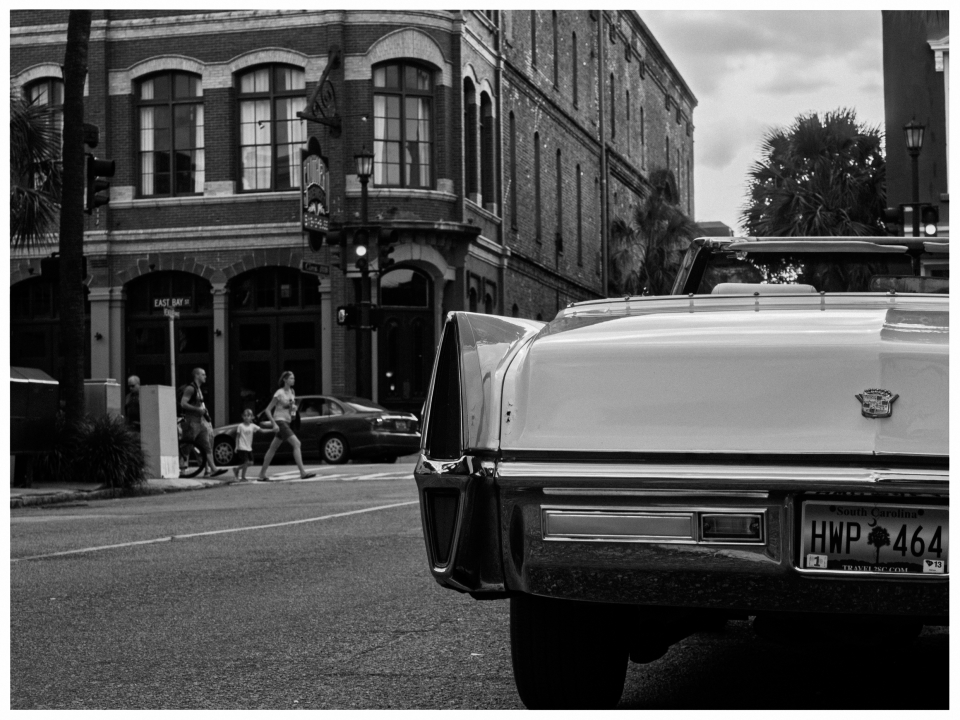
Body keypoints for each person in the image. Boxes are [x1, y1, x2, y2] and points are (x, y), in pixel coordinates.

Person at [258, 371, 316, 481]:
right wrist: (274, 423)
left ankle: (262, 474)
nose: (293, 380)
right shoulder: (279, 393)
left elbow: (290, 409)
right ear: (285, 380)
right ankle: (302, 472)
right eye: (291, 378)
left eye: (293, 378)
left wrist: (293, 409)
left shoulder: (292, 392)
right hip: (280, 421)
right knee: (297, 443)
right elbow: (268, 410)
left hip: (287, 421)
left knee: (273, 448)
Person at [180, 367, 226, 478]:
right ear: (196, 375)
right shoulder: (191, 388)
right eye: (203, 374)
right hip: (191, 422)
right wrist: (197, 410)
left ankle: (213, 469)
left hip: (200, 423)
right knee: (187, 446)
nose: (205, 376)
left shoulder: (199, 389)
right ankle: (182, 471)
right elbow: (183, 403)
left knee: (206, 446)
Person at [232, 408, 267, 482]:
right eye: (244, 415)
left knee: (251, 463)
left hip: (248, 447)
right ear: (242, 417)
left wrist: (273, 430)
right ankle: (243, 477)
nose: (246, 417)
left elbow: (262, 431)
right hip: (242, 446)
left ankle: (236, 469)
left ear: (252, 417)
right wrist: (236, 446)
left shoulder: (252, 426)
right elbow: (237, 437)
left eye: (248, 416)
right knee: (246, 462)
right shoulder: (240, 426)